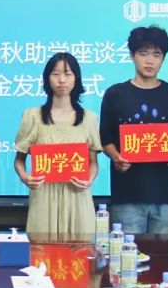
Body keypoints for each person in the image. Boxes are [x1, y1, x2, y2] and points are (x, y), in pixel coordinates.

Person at [98, 26, 168, 234]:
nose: (149, 60)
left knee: (164, 252)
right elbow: (105, 137)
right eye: (143, 53)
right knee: (127, 252)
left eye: (156, 54)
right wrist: (116, 157)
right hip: (127, 195)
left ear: (163, 58)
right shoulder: (115, 94)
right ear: (132, 55)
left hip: (165, 196)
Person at [14, 52, 102, 235]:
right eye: (55, 74)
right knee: (42, 250)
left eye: (68, 74)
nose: (62, 80)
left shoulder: (89, 118)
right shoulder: (33, 116)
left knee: (80, 250)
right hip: (43, 198)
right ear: (47, 78)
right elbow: (19, 160)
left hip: (78, 197)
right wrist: (25, 177)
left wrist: (89, 180)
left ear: (76, 78)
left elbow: (93, 162)